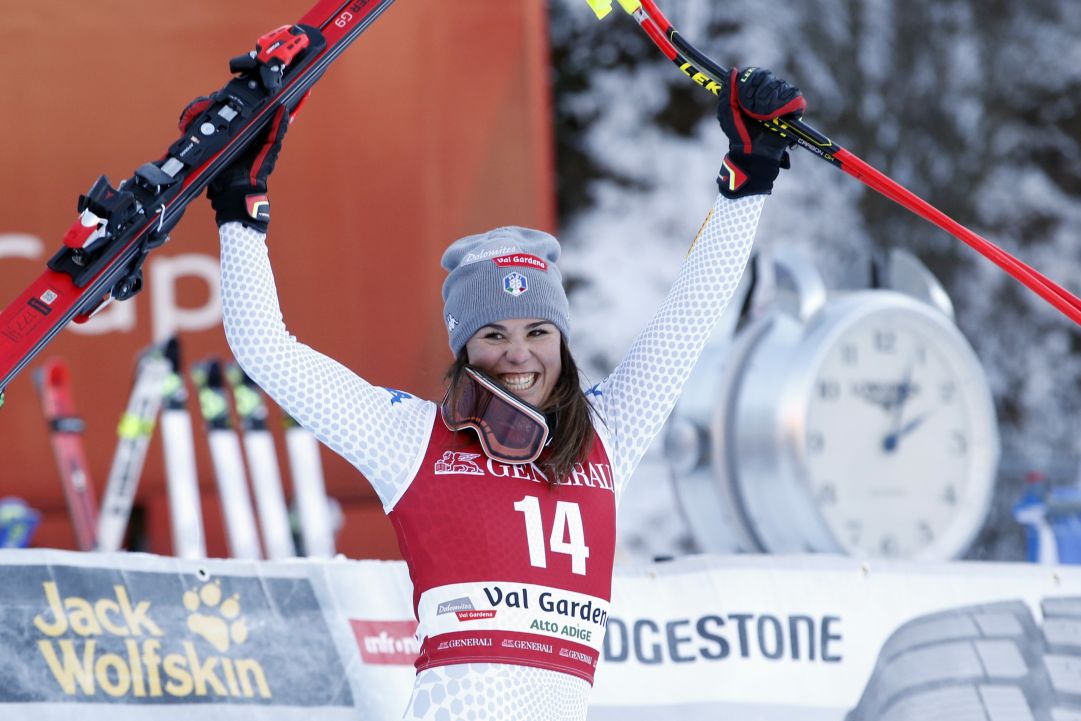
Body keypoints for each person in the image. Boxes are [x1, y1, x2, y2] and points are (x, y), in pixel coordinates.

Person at [202, 66, 805, 720]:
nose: (518, 354)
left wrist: (749, 174)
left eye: (537, 331)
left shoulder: (607, 433)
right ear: (463, 347)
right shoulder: (410, 439)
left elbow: (690, 318)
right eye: (493, 333)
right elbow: (266, 347)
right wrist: (240, 202)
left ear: (561, 339)